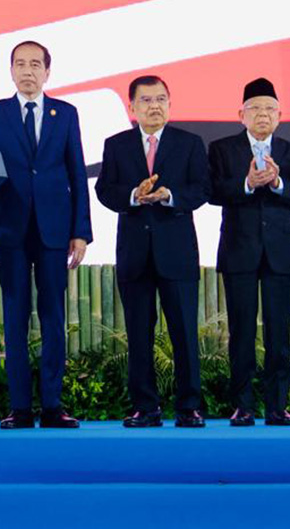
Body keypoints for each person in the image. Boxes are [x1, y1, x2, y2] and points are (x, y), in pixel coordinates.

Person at [0, 41, 92, 429]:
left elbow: (77, 174)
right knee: (15, 318)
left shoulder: (65, 114)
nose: (28, 71)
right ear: (11, 71)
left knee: (53, 317)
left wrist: (80, 232)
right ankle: (19, 407)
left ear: (48, 72)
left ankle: (53, 405)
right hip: (11, 229)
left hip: (55, 231)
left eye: (35, 64)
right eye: (20, 64)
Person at [95, 75, 210, 428]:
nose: (154, 106)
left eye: (161, 99)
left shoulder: (189, 143)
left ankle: (189, 406)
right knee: (139, 334)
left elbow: (202, 188)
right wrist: (133, 196)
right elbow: (104, 190)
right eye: (145, 100)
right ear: (132, 107)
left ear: (170, 103)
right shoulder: (116, 145)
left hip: (176, 252)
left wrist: (169, 196)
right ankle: (145, 407)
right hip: (135, 253)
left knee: (184, 333)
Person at [208, 77, 290, 427]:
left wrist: (279, 183)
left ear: (280, 115)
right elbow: (212, 191)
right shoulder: (223, 149)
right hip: (239, 249)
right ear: (241, 114)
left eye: (270, 108)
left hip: (280, 252)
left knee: (278, 333)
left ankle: (277, 406)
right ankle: (242, 405)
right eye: (255, 108)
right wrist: (247, 184)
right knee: (241, 332)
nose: (263, 114)